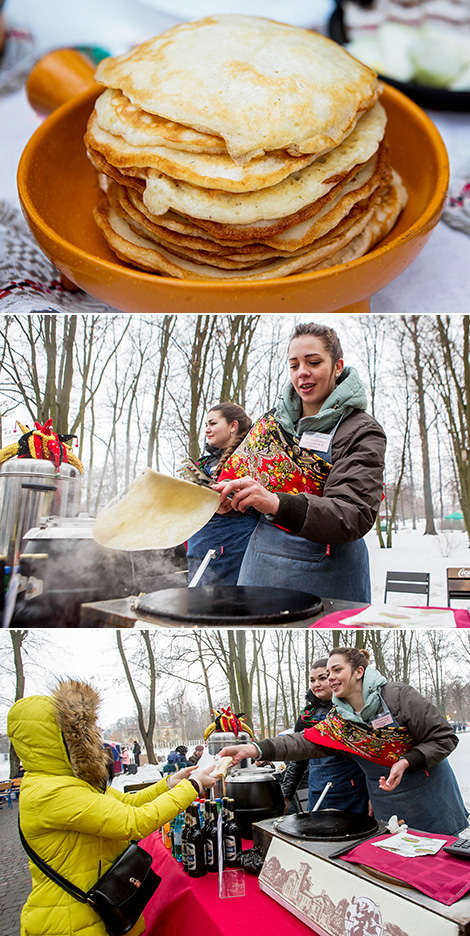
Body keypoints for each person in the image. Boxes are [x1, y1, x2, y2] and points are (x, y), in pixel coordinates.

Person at [7, 679, 217, 936]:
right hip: (75, 922)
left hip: (96, 912)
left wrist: (171, 783)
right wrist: (193, 786)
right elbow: (134, 822)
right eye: (82, 734)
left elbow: (126, 803)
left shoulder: (69, 782)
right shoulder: (51, 793)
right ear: (56, 739)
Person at [213, 323, 386, 603]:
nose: (302, 371)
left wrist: (275, 503)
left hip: (329, 576)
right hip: (260, 570)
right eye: (294, 365)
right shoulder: (272, 423)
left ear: (337, 366)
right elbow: (246, 488)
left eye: (314, 362)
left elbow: (353, 513)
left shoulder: (361, 430)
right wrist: (229, 502)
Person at [220, 648, 469, 836]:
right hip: (387, 802)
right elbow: (303, 742)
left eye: (337, 670)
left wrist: (406, 761)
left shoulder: (397, 697)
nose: (330, 679)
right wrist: (253, 748)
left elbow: (444, 737)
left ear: (359, 672)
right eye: (328, 674)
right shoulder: (339, 720)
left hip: (430, 797)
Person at [282, 659, 368, 814]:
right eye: (312, 680)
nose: (316, 684)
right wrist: (286, 794)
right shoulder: (307, 717)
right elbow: (298, 759)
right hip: (317, 790)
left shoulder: (354, 711)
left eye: (322, 678)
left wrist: (373, 797)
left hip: (352, 792)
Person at [186, 402, 259, 585]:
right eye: (206, 425)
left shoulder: (251, 459)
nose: (207, 430)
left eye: (213, 423)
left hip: (229, 545)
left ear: (233, 426)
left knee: (222, 603)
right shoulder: (204, 463)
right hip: (200, 542)